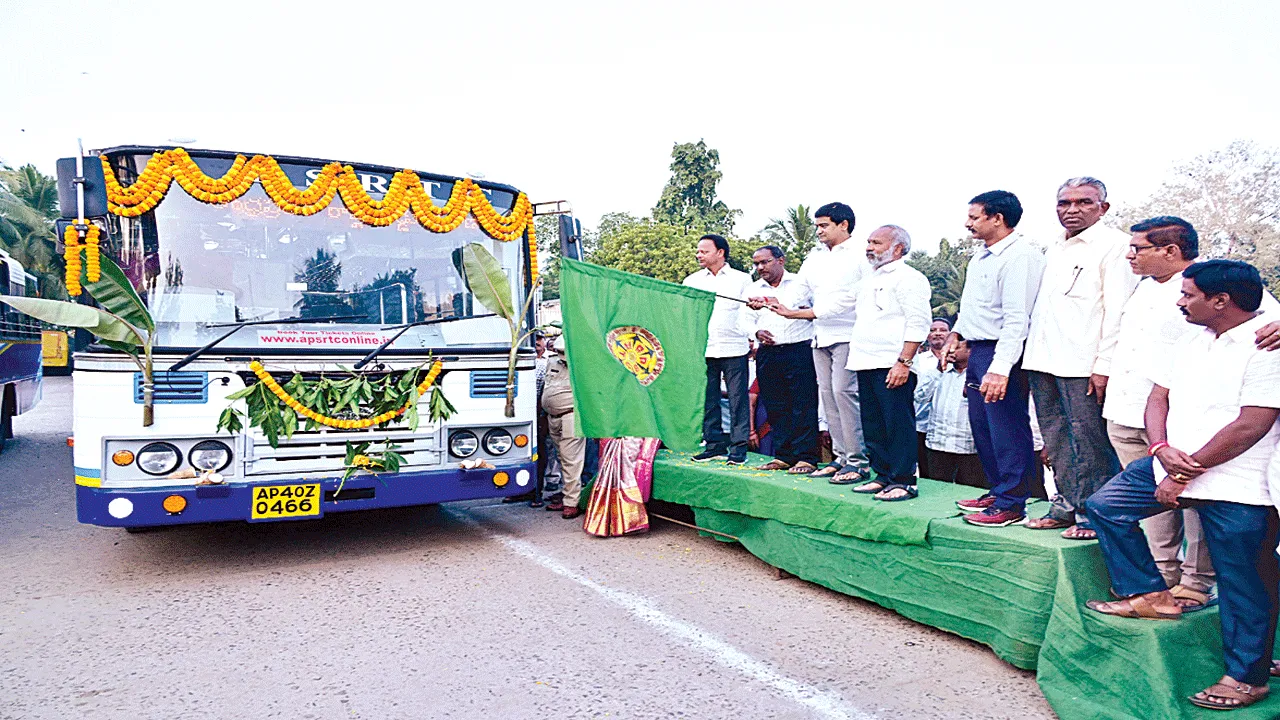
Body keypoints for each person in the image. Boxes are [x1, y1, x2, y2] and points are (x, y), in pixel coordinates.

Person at [1084, 259, 1280, 711]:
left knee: (1243, 580)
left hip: (1239, 481)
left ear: (1220, 301)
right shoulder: (1190, 336)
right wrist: (1160, 449)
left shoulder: (1266, 342)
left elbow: (1252, 424)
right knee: (1106, 505)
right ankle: (1151, 594)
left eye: (1187, 294)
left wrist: (1184, 472)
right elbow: (1158, 397)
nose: (1179, 301)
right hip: (1171, 461)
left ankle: (1247, 676)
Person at [1102, 216, 1216, 609]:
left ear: (1170, 251)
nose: (1130, 255)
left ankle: (1196, 583)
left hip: (1181, 418)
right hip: (1129, 408)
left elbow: (1266, 319)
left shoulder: (1211, 283)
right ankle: (1160, 576)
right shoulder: (1142, 288)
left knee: (1194, 498)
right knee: (1150, 501)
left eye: (1138, 248)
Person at [1022, 177, 1137, 539]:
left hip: (1083, 362)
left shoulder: (1115, 246)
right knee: (1055, 437)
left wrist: (1103, 367)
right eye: (1064, 203)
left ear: (1103, 207)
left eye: (1083, 202)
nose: (1072, 210)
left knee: (1088, 440)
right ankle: (1067, 505)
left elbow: (1118, 312)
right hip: (1043, 359)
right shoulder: (1053, 246)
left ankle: (1091, 515)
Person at [945, 190, 1047, 527]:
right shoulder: (982, 256)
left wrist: (1000, 368)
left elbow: (1018, 318)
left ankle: (1012, 502)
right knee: (982, 426)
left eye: (974, 217)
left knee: (1007, 428)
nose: (967, 223)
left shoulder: (1021, 256)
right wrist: (956, 335)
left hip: (1003, 351)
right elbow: (974, 306)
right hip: (977, 348)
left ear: (997, 219)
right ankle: (997, 489)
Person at [765, 202, 872, 484]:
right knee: (829, 398)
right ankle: (839, 458)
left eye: (824, 225)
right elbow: (799, 291)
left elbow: (853, 297)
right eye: (817, 226)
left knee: (844, 394)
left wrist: (807, 313)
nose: (818, 231)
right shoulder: (814, 258)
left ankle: (858, 461)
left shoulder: (863, 253)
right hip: (820, 336)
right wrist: (773, 304)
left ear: (844, 225)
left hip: (849, 334)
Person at [843, 226, 933, 501]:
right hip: (864, 360)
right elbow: (837, 304)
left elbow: (919, 321)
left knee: (896, 422)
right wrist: (788, 310)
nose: (869, 247)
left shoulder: (910, 278)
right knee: (873, 422)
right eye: (869, 242)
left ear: (897, 249)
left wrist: (904, 362)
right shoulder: (868, 278)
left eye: (876, 243)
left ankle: (904, 480)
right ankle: (882, 475)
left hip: (892, 361)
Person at [742, 245, 820, 473]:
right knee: (776, 406)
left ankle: (806, 457)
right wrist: (755, 333)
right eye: (756, 264)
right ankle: (783, 456)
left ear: (781, 260)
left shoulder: (801, 284)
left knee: (803, 405)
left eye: (764, 262)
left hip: (799, 350)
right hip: (768, 353)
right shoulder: (752, 289)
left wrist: (806, 311)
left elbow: (819, 311)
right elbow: (743, 320)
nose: (760, 268)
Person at [683, 234, 753, 465]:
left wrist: (753, 338)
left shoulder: (742, 279)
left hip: (734, 347)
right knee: (707, 398)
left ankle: (738, 447)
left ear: (720, 252)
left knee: (737, 399)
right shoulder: (692, 281)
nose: (698, 255)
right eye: (698, 251)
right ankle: (713, 445)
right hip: (703, 348)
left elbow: (749, 313)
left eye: (704, 251)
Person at [927, 336, 989, 488]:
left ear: (970, 351)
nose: (950, 351)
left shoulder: (981, 376)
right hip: (938, 444)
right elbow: (920, 397)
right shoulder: (939, 372)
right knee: (937, 489)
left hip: (968, 446)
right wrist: (938, 370)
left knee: (970, 490)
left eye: (957, 348)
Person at [541, 334, 586, 519]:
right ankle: (568, 495)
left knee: (571, 460)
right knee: (561, 459)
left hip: (571, 415)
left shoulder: (584, 364)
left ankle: (571, 503)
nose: (561, 356)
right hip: (553, 417)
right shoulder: (552, 362)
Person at [913, 319, 950, 478]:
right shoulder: (918, 360)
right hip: (922, 424)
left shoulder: (959, 360)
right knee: (929, 471)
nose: (937, 333)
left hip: (950, 425)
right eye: (933, 330)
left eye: (942, 330)